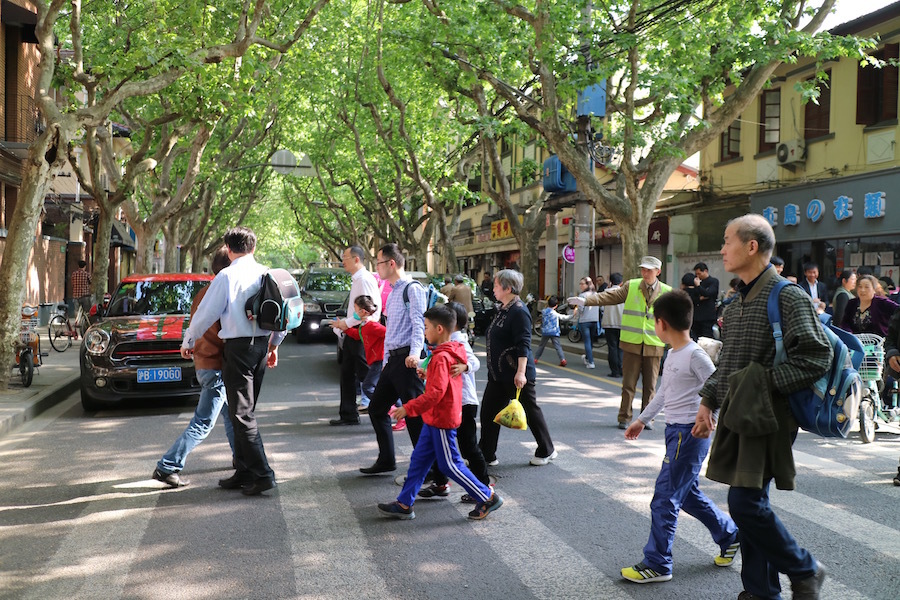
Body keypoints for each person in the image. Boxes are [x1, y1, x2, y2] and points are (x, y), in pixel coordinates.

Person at [693, 214, 831, 600]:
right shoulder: (736, 303)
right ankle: (760, 591)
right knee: (751, 503)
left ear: (751, 247)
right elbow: (729, 362)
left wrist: (763, 383)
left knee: (744, 501)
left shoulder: (787, 296)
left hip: (770, 418)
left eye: (726, 241)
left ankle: (805, 569)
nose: (721, 249)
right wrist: (708, 400)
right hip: (739, 413)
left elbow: (816, 357)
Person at [620, 290, 739, 584]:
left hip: (690, 433)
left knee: (664, 498)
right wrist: (641, 419)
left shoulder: (695, 355)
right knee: (686, 495)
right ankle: (730, 535)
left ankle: (658, 563)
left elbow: (719, 387)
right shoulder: (674, 353)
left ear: (661, 323)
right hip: (676, 432)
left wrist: (708, 416)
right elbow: (664, 392)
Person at [180, 226, 286, 496]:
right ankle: (244, 471)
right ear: (254, 247)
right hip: (261, 347)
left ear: (229, 249)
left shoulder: (226, 276)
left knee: (241, 413)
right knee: (243, 412)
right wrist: (274, 345)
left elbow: (205, 314)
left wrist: (189, 340)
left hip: (238, 349)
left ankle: (263, 474)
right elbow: (285, 315)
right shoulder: (267, 274)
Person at [377, 306, 503, 521]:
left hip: (442, 419)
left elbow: (436, 394)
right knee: (418, 461)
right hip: (434, 418)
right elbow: (441, 386)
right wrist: (428, 375)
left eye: (426, 328)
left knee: (450, 464)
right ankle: (405, 503)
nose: (424, 332)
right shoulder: (448, 352)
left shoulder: (442, 357)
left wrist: (408, 407)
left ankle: (486, 496)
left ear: (439, 328)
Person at [152, 247, 235, 487]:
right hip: (216, 364)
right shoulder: (222, 292)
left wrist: (189, 343)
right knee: (203, 422)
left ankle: (242, 459)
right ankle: (167, 466)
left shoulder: (204, 292)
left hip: (206, 362)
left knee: (231, 415)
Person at [569, 256, 672, 430]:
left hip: (654, 344)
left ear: (658, 272)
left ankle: (647, 418)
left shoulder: (667, 291)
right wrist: (587, 300)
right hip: (631, 343)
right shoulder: (632, 285)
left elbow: (676, 317)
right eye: (643, 269)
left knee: (651, 386)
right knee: (628, 384)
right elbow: (610, 296)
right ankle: (624, 417)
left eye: (649, 270)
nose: (645, 273)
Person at [359, 243, 430, 475]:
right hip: (393, 361)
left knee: (414, 416)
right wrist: (387, 358)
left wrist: (415, 354)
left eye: (378, 263)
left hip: (408, 361)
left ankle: (428, 470)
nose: (376, 268)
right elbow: (391, 330)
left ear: (391, 263)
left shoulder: (413, 289)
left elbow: (419, 323)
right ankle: (387, 460)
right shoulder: (391, 292)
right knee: (377, 409)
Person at [481, 269, 557, 466]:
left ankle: (546, 449)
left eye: (496, 286)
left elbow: (524, 344)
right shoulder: (503, 308)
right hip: (497, 374)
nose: (494, 289)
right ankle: (486, 453)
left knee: (531, 412)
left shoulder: (519, 311)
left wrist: (521, 372)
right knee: (488, 413)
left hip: (515, 374)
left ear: (507, 288)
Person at [418, 302, 492, 501]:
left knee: (468, 446)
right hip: (449, 403)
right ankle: (441, 484)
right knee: (437, 445)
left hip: (464, 402)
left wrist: (464, 367)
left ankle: (483, 486)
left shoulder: (459, 341)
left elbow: (475, 362)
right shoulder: (443, 343)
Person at [331, 245, 382, 426]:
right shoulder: (357, 279)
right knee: (347, 374)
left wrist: (344, 324)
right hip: (354, 332)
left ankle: (385, 409)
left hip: (361, 333)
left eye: (345, 257)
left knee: (366, 375)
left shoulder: (363, 280)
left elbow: (367, 310)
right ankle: (348, 414)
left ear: (356, 259)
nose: (342, 260)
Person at [338, 295, 385, 414]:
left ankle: (387, 406)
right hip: (375, 360)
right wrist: (344, 327)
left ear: (363, 311)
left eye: (355, 309)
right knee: (377, 387)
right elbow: (358, 335)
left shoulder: (372, 325)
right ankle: (388, 406)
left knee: (368, 387)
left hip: (379, 360)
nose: (354, 312)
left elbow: (388, 334)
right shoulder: (364, 326)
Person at [534, 296, 573, 367]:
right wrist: (573, 315)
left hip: (545, 332)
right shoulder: (555, 313)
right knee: (558, 347)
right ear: (556, 306)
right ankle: (562, 360)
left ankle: (536, 359)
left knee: (541, 346)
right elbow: (564, 317)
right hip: (554, 332)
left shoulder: (544, 312)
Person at [602, 273, 625, 378]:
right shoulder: (625, 293)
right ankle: (622, 369)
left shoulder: (605, 293)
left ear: (610, 282)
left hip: (609, 323)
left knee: (612, 348)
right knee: (621, 348)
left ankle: (614, 371)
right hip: (622, 324)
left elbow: (601, 308)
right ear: (621, 282)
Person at [575, 276, 601, 369]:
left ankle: (591, 362)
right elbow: (601, 308)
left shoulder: (582, 296)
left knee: (587, 341)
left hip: (584, 320)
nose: (581, 285)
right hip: (594, 320)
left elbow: (581, 309)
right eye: (580, 284)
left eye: (582, 284)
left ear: (587, 285)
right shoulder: (596, 294)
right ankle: (587, 357)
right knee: (591, 341)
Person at [691, 262, 719, 340]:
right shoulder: (696, 282)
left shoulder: (713, 281)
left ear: (705, 271)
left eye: (699, 273)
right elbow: (693, 297)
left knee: (707, 338)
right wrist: (699, 298)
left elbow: (708, 293)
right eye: (696, 274)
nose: (698, 276)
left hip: (707, 316)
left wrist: (699, 286)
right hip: (696, 316)